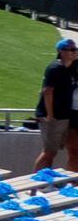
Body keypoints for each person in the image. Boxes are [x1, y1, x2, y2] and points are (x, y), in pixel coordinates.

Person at [37, 38, 78, 173]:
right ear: (61, 51)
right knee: (49, 152)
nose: (74, 52)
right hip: (54, 117)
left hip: (64, 116)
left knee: (71, 152)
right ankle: (39, 183)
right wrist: (50, 115)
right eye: (71, 50)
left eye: (75, 49)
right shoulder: (56, 68)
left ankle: (73, 183)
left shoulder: (69, 67)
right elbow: (47, 92)